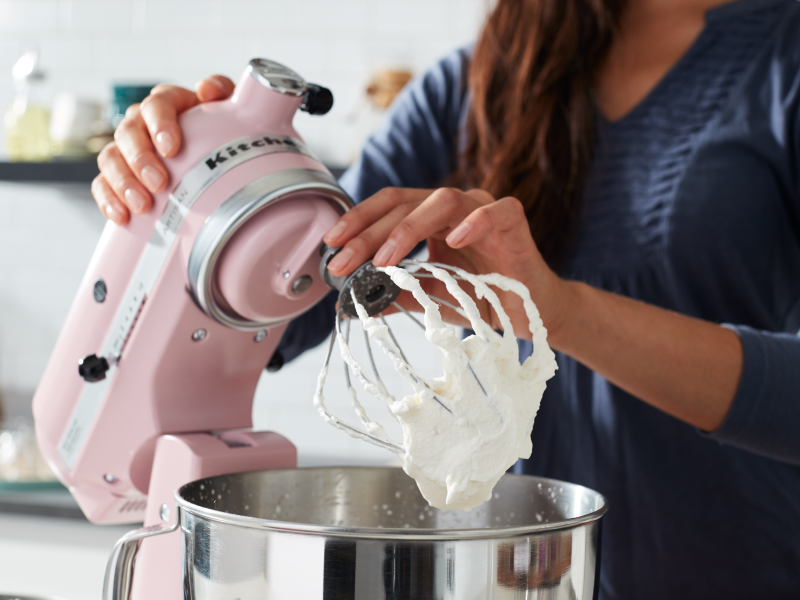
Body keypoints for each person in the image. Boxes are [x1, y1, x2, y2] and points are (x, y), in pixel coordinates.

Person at [91, 0, 800, 596]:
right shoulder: (473, 88)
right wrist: (189, 190)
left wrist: (558, 310)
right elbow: (288, 306)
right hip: (522, 583)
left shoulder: (780, 59)